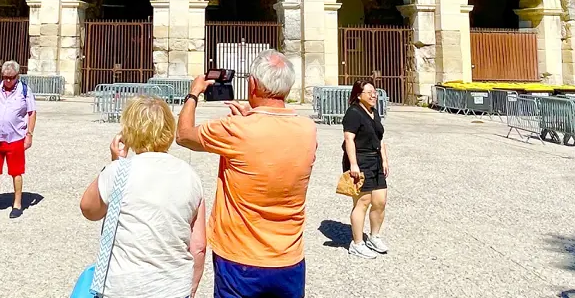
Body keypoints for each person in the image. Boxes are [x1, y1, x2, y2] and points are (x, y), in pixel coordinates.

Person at [177, 49, 316, 298]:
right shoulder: (308, 129)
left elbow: (184, 135)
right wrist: (250, 119)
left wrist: (193, 93)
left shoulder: (236, 130)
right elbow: (271, 142)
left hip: (239, 257)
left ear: (252, 84)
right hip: (289, 257)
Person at [80, 95, 206, 298]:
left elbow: (89, 210)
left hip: (124, 287)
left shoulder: (119, 170)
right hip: (173, 287)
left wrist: (113, 163)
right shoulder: (190, 175)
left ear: (129, 131)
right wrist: (190, 289)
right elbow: (198, 245)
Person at [342, 80, 390, 259]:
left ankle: (374, 236)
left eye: (375, 91)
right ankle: (357, 243)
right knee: (362, 202)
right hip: (360, 160)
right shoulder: (354, 113)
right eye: (369, 92)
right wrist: (353, 164)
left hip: (376, 160)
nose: (373, 95)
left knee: (380, 201)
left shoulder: (373, 112)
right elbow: (349, 139)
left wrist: (384, 159)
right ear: (358, 94)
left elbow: (380, 138)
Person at [0, 60, 36, 218]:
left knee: (16, 172)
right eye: (5, 77)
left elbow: (32, 112)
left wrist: (29, 135)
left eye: (11, 77)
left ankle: (17, 204)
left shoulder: (25, 90)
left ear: (17, 76)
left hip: (15, 138)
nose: (7, 80)